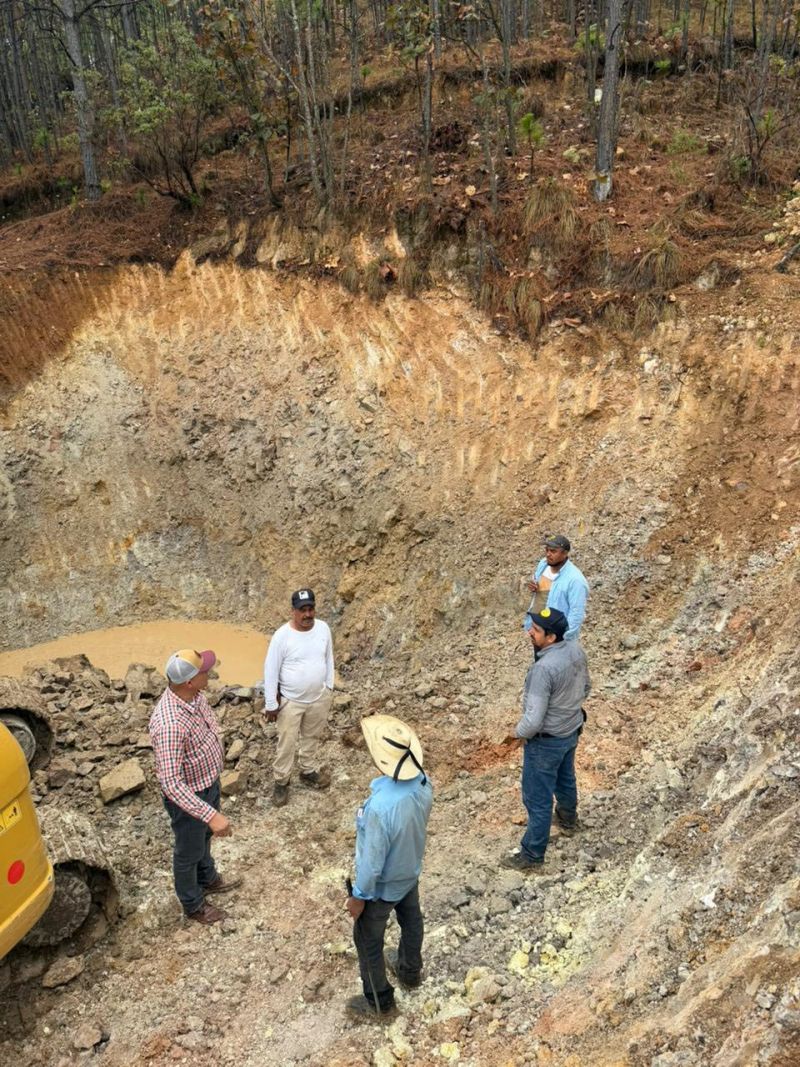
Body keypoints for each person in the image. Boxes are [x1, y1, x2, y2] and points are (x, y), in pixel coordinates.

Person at [345, 715, 433, 1019]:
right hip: (409, 871)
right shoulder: (423, 781)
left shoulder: (380, 808)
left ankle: (379, 1001)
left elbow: (372, 864)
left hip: (381, 888)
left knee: (368, 940)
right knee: (412, 920)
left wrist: (359, 896)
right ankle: (410, 970)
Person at [149, 649, 241, 925]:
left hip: (208, 782)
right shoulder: (169, 724)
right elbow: (171, 783)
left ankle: (207, 877)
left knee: (204, 837)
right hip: (189, 798)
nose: (210, 672)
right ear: (189, 682)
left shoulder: (195, 697)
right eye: (204, 671)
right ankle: (193, 904)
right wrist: (210, 814)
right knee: (187, 852)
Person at [503, 607, 591, 872]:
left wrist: (517, 734)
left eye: (536, 629)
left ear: (551, 637)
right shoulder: (576, 650)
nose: (530, 632)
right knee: (565, 779)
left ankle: (532, 855)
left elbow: (533, 720)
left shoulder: (543, 669)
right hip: (570, 731)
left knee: (538, 799)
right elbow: (587, 687)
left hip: (546, 742)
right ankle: (568, 819)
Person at [263, 588, 334, 807]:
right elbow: (271, 670)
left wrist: (329, 686)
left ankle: (307, 770)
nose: (307, 614)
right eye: (302, 610)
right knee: (287, 743)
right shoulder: (282, 636)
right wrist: (271, 703)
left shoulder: (323, 629)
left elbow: (329, 658)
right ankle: (281, 781)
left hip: (318, 697)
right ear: (293, 611)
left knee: (311, 737)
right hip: (291, 701)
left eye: (311, 609)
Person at [524, 533, 589, 640]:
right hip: (539, 633)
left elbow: (576, 614)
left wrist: (563, 639)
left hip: (557, 638)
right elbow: (541, 590)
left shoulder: (575, 580)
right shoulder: (543, 564)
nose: (548, 554)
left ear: (565, 553)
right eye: (547, 550)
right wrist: (534, 586)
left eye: (553, 551)